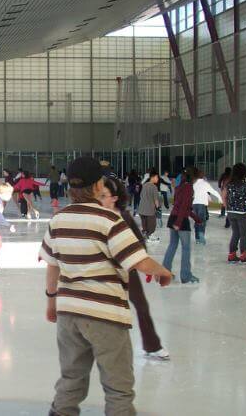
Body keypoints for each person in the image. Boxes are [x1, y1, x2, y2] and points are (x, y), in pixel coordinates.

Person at [40, 157, 172, 416]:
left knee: (71, 380)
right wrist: (163, 272)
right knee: (118, 388)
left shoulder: (59, 220)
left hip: (69, 314)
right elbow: (138, 261)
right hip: (105, 315)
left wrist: (51, 301)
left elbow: (52, 265)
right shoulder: (109, 220)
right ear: (99, 184)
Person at [100, 175, 170, 360]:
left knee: (141, 305)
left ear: (114, 198)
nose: (99, 200)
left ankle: (152, 345)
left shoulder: (124, 217)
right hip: (102, 273)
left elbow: (139, 243)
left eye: (103, 196)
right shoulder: (97, 218)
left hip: (126, 271)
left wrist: (149, 268)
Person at [162, 168, 201, 283]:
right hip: (181, 220)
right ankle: (186, 276)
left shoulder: (179, 186)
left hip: (173, 218)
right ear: (193, 178)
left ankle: (165, 273)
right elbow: (184, 207)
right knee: (186, 248)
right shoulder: (188, 188)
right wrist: (179, 223)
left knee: (172, 245)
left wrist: (196, 218)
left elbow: (181, 206)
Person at [222, 163, 246, 264]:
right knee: (243, 235)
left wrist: (227, 207)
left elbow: (223, 196)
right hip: (243, 213)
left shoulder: (228, 184)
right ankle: (243, 256)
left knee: (235, 233)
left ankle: (232, 255)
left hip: (231, 212)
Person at [192, 169, 222, 245]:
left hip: (194, 204)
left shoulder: (193, 184)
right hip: (202, 204)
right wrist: (220, 198)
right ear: (202, 176)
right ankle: (201, 234)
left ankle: (197, 238)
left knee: (197, 220)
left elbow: (191, 193)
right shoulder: (205, 184)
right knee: (202, 221)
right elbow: (213, 191)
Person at [138, 172, 161, 242]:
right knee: (152, 226)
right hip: (149, 211)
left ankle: (145, 237)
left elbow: (141, 195)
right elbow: (156, 200)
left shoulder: (144, 185)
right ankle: (149, 237)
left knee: (145, 226)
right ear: (153, 177)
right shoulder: (154, 187)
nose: (158, 179)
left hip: (141, 209)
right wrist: (158, 208)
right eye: (157, 177)